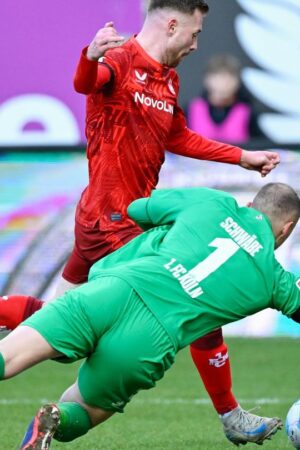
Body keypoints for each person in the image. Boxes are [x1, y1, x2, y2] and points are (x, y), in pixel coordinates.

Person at [0, 0, 280, 442]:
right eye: (195, 32)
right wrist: (88, 56)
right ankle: (230, 417)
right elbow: (88, 82)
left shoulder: (167, 79)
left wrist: (242, 157)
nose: (195, 43)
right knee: (195, 295)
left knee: (59, 322)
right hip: (114, 221)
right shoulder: (119, 59)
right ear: (172, 24)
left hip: (115, 216)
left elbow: (177, 136)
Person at [3, 182, 300, 449]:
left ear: (250, 205)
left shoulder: (212, 203)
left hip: (113, 290)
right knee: (83, 408)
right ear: (286, 230)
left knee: (10, 356)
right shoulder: (275, 281)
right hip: (150, 338)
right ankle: (54, 418)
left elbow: (137, 208)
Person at [188, 54, 264, 143]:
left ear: (238, 82)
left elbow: (260, 145)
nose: (223, 83)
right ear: (207, 80)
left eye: (229, 77)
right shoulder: (191, 109)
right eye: (217, 77)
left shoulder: (247, 112)